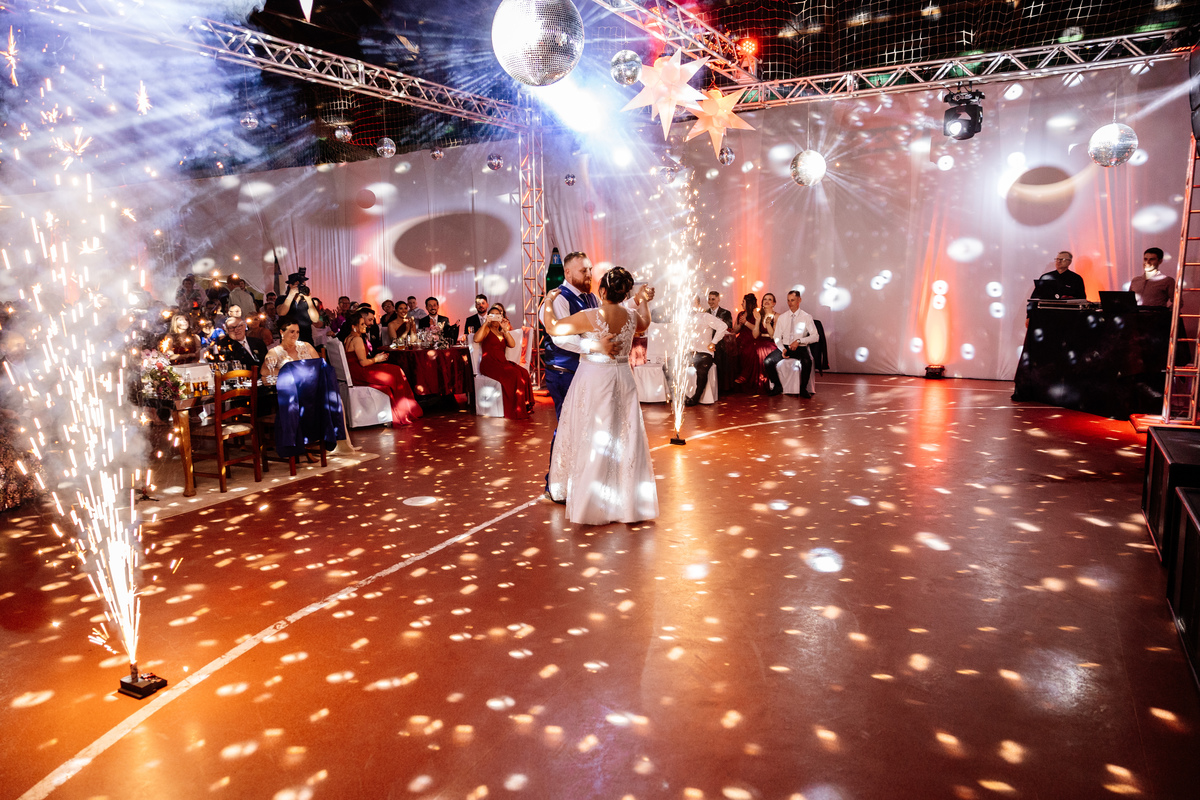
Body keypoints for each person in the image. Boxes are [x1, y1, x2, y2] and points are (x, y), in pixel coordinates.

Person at [542, 266, 658, 525]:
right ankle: (625, 502)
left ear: (603, 290)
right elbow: (645, 323)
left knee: (594, 438)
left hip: (594, 378)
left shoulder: (590, 316)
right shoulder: (630, 317)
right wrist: (644, 301)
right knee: (622, 436)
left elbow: (552, 326)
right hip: (623, 379)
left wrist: (548, 300)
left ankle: (593, 502)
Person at [342, 309, 422, 426]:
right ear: (354, 327)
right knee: (396, 372)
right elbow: (363, 363)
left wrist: (377, 359)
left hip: (354, 372)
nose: (365, 326)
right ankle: (404, 411)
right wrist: (376, 359)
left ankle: (404, 409)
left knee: (394, 369)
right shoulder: (357, 339)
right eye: (362, 324)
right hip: (361, 373)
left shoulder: (347, 338)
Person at [475, 304, 532, 419]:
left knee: (524, 372)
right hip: (489, 364)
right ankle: (515, 408)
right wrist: (486, 322)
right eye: (493, 315)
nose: (495, 317)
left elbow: (512, 344)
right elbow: (476, 339)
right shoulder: (486, 329)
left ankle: (524, 405)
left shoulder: (501, 331)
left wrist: (505, 330)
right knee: (515, 374)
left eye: (498, 315)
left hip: (502, 362)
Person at [764, 290, 820, 398]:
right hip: (785, 346)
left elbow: (815, 336)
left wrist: (799, 341)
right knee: (768, 361)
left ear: (799, 300)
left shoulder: (806, 317)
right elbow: (776, 337)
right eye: (788, 300)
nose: (790, 303)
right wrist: (782, 349)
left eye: (793, 300)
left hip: (800, 347)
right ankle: (777, 385)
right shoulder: (783, 317)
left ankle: (803, 388)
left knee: (807, 361)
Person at [686, 295, 729, 406]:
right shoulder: (684, 318)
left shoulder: (705, 316)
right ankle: (681, 396)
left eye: (692, 302)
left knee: (701, 371)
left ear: (698, 303)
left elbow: (723, 326)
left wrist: (713, 343)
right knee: (667, 366)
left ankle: (695, 398)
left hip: (704, 352)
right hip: (689, 352)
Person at [276, 271, 320, 346]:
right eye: (297, 284)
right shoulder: (282, 299)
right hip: (288, 340)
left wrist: (309, 300)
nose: (300, 287)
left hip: (306, 340)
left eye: (302, 284)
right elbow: (281, 313)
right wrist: (291, 295)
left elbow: (315, 319)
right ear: (290, 285)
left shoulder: (308, 301)